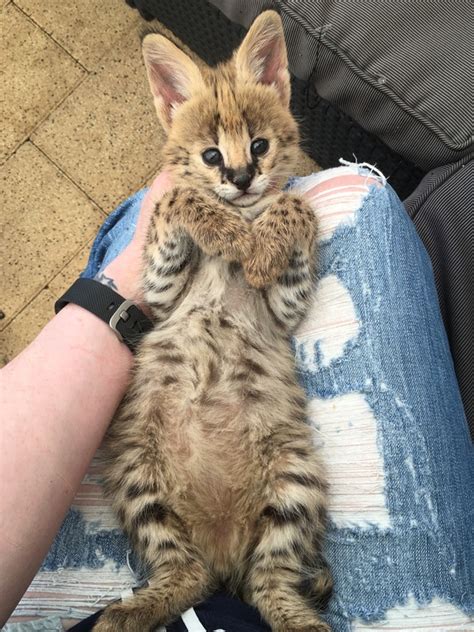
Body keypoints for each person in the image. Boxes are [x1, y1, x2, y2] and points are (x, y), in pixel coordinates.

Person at [2, 167, 471, 632]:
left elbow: (177, 296)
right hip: (238, 438)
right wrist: (232, 213)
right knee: (368, 202)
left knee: (143, 215)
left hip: (184, 431)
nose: (240, 172)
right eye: (212, 155)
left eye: (258, 150)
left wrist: (282, 219)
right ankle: (241, 581)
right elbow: (174, 293)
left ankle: (261, 584)